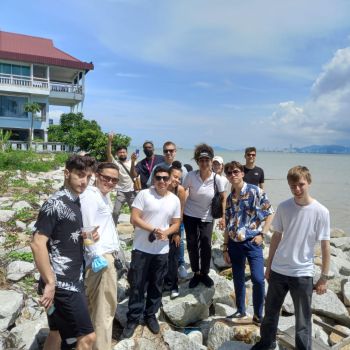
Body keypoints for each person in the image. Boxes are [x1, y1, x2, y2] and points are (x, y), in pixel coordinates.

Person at [251, 166, 331, 350]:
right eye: (293, 186)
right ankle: (266, 343)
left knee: (303, 320)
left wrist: (324, 277)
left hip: (302, 273)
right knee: (270, 313)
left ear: (308, 183)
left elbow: (325, 246)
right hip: (279, 270)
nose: (297, 189)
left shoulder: (321, 212)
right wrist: (269, 267)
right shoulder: (284, 207)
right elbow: (277, 237)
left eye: (301, 185)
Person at [30, 155, 97, 350]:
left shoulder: (74, 200)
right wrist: (50, 282)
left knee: (56, 333)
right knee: (87, 338)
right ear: (67, 173)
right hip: (63, 285)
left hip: (70, 278)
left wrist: (86, 238)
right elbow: (37, 243)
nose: (84, 181)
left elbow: (61, 237)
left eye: (88, 177)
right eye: (80, 175)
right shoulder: (55, 204)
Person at [122, 166, 181, 338]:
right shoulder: (144, 194)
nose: (161, 181)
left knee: (157, 284)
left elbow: (176, 223)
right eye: (158, 178)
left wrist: (166, 233)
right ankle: (133, 318)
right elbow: (134, 218)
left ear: (170, 180)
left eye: (165, 178)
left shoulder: (175, 200)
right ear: (153, 180)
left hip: (162, 250)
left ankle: (150, 315)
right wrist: (154, 229)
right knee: (137, 284)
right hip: (141, 248)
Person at [223, 161, 273, 325]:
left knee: (258, 279)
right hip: (234, 244)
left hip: (253, 242)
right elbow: (228, 223)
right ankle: (240, 310)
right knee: (237, 279)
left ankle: (258, 315)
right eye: (229, 173)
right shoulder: (230, 198)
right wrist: (225, 247)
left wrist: (263, 234)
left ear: (242, 173)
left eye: (236, 171)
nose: (233, 175)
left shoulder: (255, 191)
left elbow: (270, 213)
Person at [80, 162, 121, 350]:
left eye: (114, 180)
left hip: (106, 255)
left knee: (96, 308)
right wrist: (96, 257)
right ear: (97, 175)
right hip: (101, 259)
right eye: (106, 178)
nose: (110, 182)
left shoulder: (104, 196)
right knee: (104, 310)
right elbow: (87, 229)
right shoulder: (90, 196)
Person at [183, 144, 225, 288]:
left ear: (211, 161)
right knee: (192, 244)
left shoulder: (217, 179)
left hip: (207, 216)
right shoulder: (190, 176)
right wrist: (178, 212)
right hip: (189, 214)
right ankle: (196, 272)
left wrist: (224, 218)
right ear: (197, 161)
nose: (204, 163)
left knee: (206, 243)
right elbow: (183, 192)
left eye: (207, 160)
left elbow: (224, 198)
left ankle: (205, 273)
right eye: (201, 160)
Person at [163, 161, 187, 298]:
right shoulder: (161, 187)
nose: (176, 180)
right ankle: (160, 283)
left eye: (179, 178)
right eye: (175, 177)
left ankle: (173, 285)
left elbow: (181, 213)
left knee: (173, 255)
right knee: (160, 257)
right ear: (168, 175)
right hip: (160, 226)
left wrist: (177, 232)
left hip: (175, 226)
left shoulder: (180, 191)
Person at [107, 132, 137, 225]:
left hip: (132, 191)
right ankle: (113, 230)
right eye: (120, 152)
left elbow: (136, 176)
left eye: (124, 152)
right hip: (121, 192)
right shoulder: (116, 163)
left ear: (127, 153)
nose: (122, 154)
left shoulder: (133, 162)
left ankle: (136, 231)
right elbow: (108, 154)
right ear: (117, 154)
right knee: (115, 212)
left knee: (135, 214)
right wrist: (109, 141)